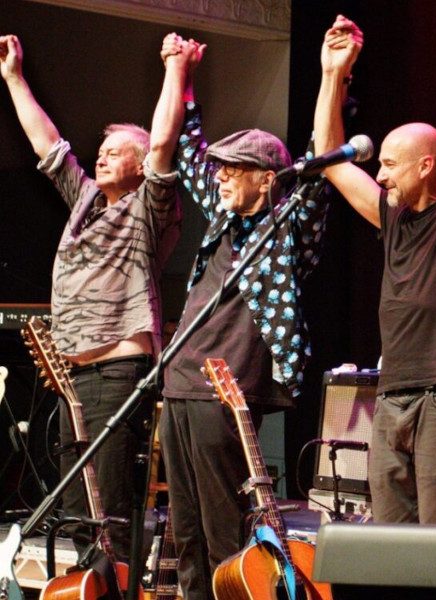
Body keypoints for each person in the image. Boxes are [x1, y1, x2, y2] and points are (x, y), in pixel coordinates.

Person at [155, 34, 330, 598]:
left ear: (267, 178)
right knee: (184, 531)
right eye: (221, 168)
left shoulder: (285, 229)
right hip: (179, 382)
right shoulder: (223, 222)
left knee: (223, 528)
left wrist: (332, 75)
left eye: (234, 167)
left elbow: (320, 169)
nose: (221, 175)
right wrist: (180, 75)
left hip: (224, 389)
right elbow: (187, 147)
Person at [0, 34, 182, 560]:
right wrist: (13, 77)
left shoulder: (149, 208)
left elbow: (165, 142)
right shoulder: (86, 203)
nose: (100, 159)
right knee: (79, 511)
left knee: (109, 509)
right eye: (99, 152)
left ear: (141, 164)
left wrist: (174, 69)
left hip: (116, 372)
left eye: (115, 153)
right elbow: (47, 144)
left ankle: (113, 585)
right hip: (75, 377)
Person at [313, 14, 436, 524]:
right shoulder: (392, 218)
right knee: (390, 545)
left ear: (425, 166)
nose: (381, 173)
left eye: (390, 164)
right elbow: (331, 161)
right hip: (390, 396)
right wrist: (333, 74)